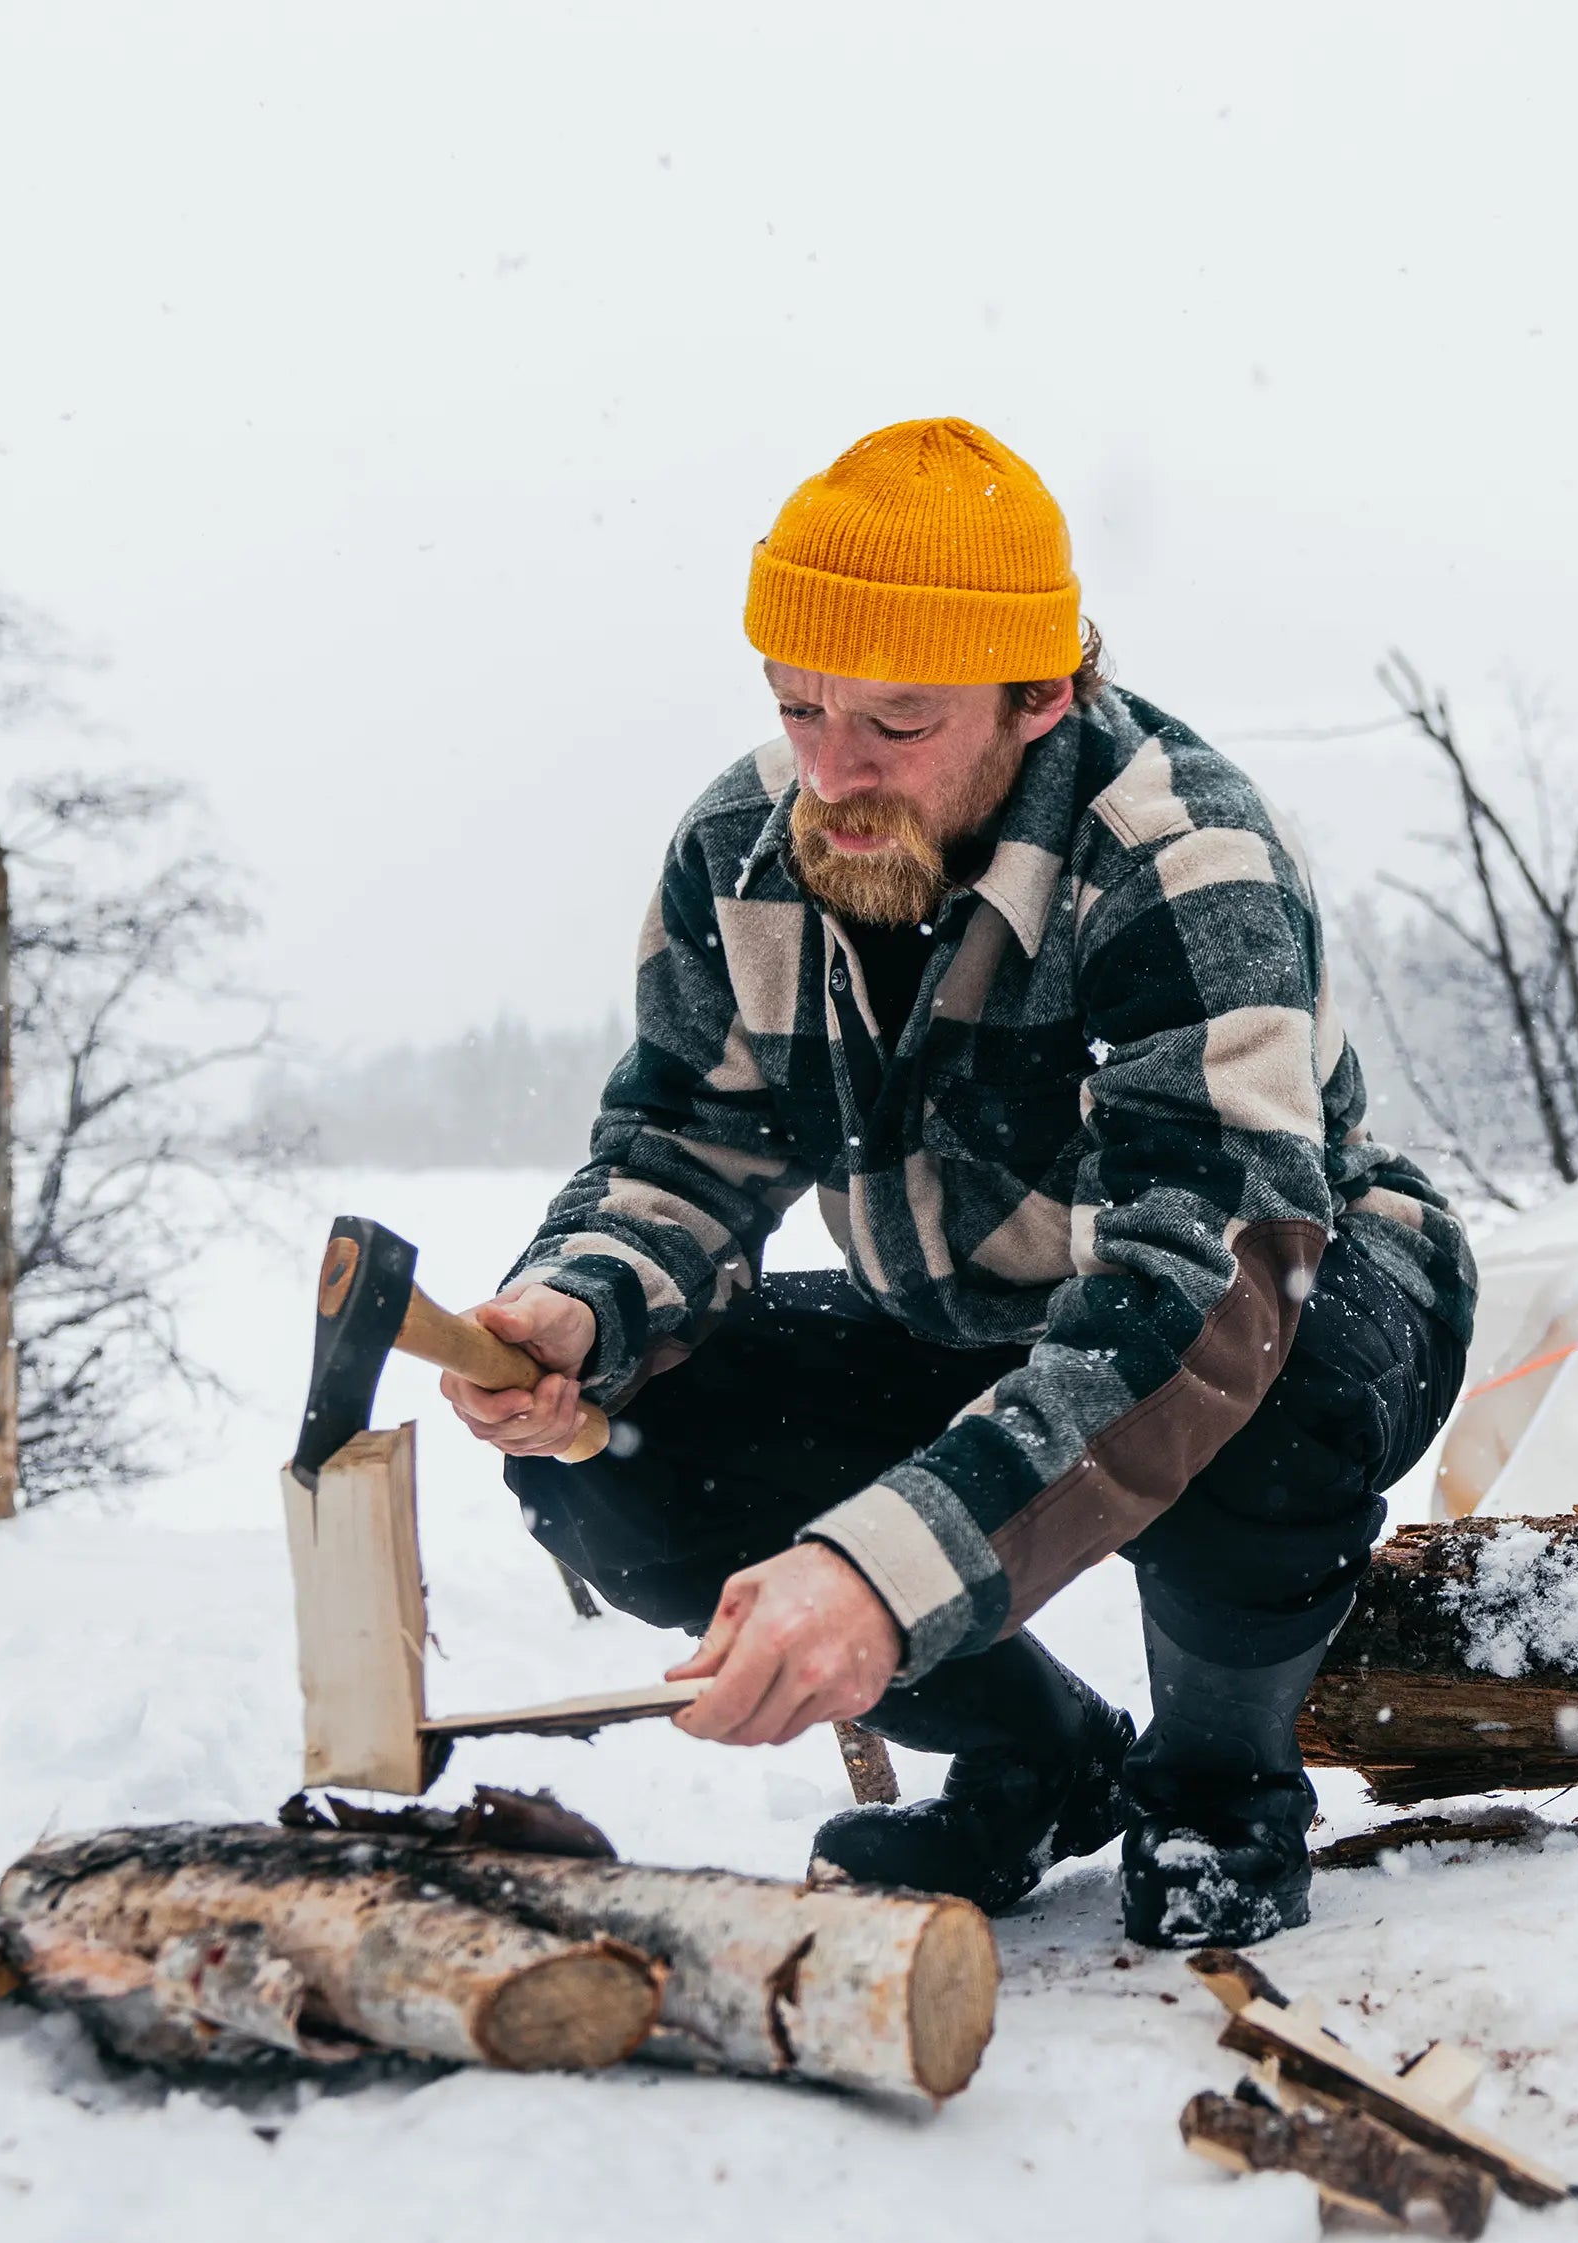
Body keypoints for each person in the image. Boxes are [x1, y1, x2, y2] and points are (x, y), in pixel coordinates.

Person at [441, 418, 1474, 1948]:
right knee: (621, 1446)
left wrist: (880, 1574)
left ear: (1040, 696)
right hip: (969, 1315)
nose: (833, 776)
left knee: (1263, 1386)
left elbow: (1188, 1299)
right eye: (800, 710)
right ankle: (1038, 1757)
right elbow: (683, 1144)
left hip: (1289, 1290)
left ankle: (1216, 1789)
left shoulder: (1181, 854)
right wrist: (584, 1305)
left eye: (898, 725)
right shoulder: (746, 846)